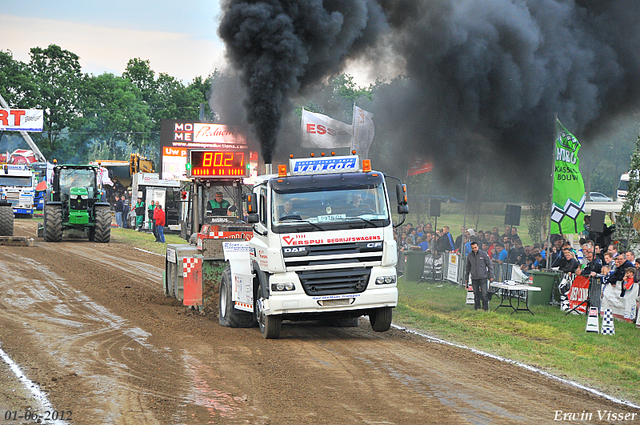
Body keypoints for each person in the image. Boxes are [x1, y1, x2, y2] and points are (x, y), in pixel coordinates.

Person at [465, 241, 494, 311]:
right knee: (476, 293)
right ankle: (477, 307)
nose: (474, 249)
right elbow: (467, 268)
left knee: (484, 294)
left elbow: (489, 265)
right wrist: (466, 278)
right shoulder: (469, 256)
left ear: (478, 247)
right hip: (474, 278)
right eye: (473, 248)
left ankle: (485, 308)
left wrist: (491, 276)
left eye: (475, 247)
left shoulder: (483, 254)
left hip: (483, 277)